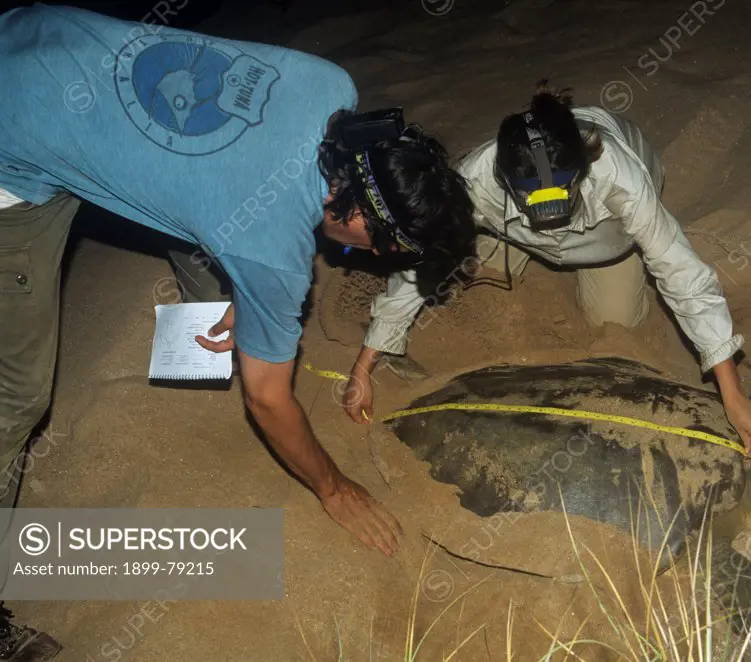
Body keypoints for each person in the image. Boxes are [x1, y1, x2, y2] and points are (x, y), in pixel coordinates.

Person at [0, 4, 475, 657]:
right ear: (355, 213)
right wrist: (335, 489)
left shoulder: (332, 88)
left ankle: (185, 365)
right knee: (17, 394)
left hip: (41, 30)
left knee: (211, 238)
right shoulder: (271, 247)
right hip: (13, 142)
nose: (373, 260)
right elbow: (267, 399)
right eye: (382, 248)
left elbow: (222, 161)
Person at [344, 82, 751, 458]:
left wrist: (730, 391)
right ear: (505, 181)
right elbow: (425, 261)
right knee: (473, 273)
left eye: (560, 197)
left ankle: (613, 265)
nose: (551, 213)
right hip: (511, 228)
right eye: (535, 201)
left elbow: (681, 271)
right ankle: (513, 249)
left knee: (615, 323)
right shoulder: (475, 180)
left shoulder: (618, 178)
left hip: (607, 234)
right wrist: (365, 364)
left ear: (583, 169)